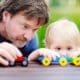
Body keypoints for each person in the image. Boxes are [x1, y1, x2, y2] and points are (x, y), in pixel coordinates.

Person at [0, 0, 49, 66]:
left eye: (35, 29)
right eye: (25, 26)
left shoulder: (32, 42)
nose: (28, 37)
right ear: (6, 16)